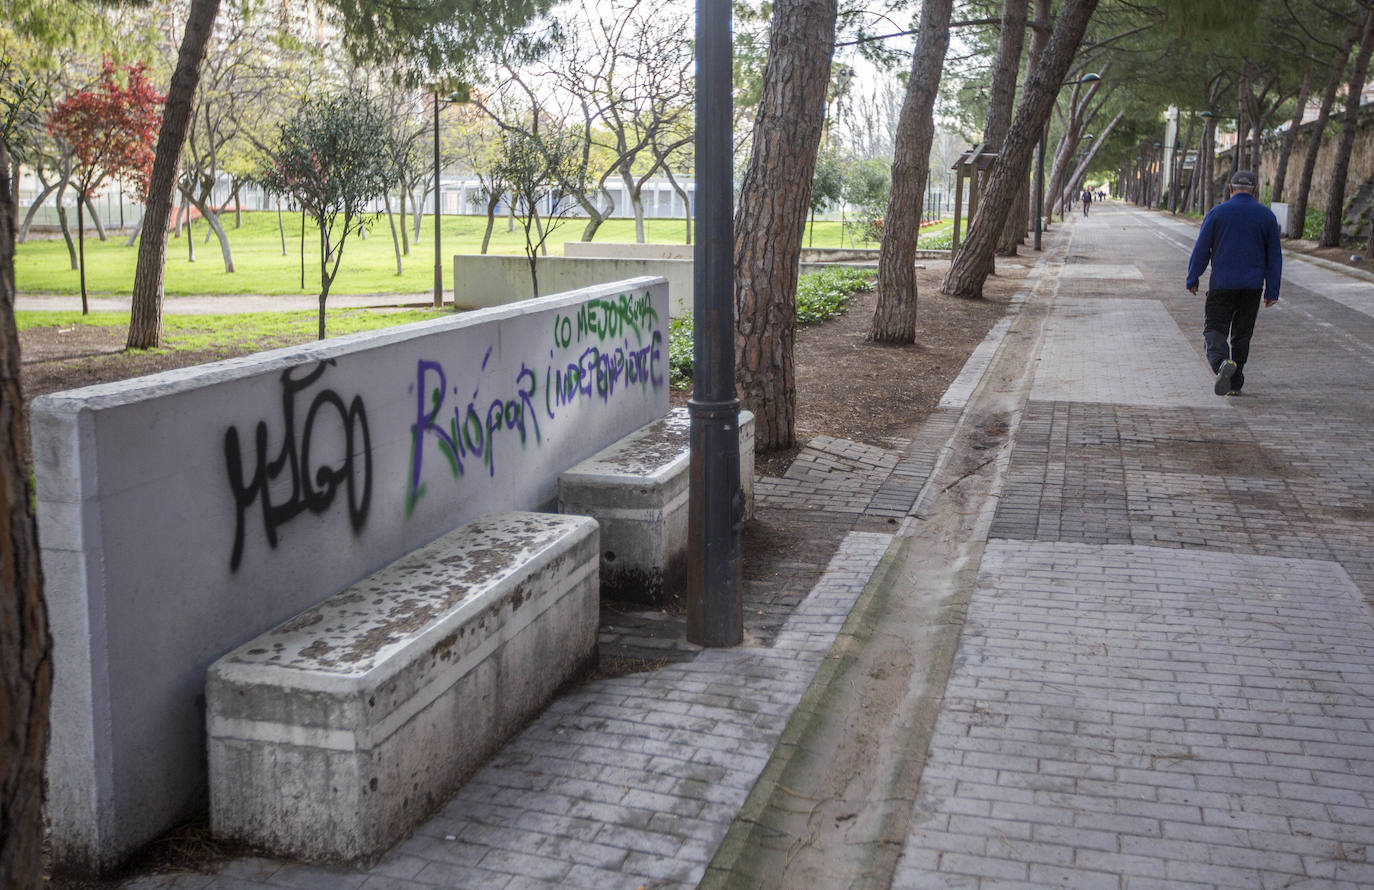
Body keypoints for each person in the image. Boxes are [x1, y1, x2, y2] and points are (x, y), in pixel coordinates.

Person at [1185, 170, 1282, 396]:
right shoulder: (1267, 216)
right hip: (1252, 287)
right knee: (1242, 334)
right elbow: (1274, 257)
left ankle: (1221, 364)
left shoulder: (1217, 213)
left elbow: (1202, 248)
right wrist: (1273, 290)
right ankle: (1236, 382)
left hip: (1222, 284)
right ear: (1255, 191)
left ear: (1230, 189)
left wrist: (1193, 277)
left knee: (1214, 330)